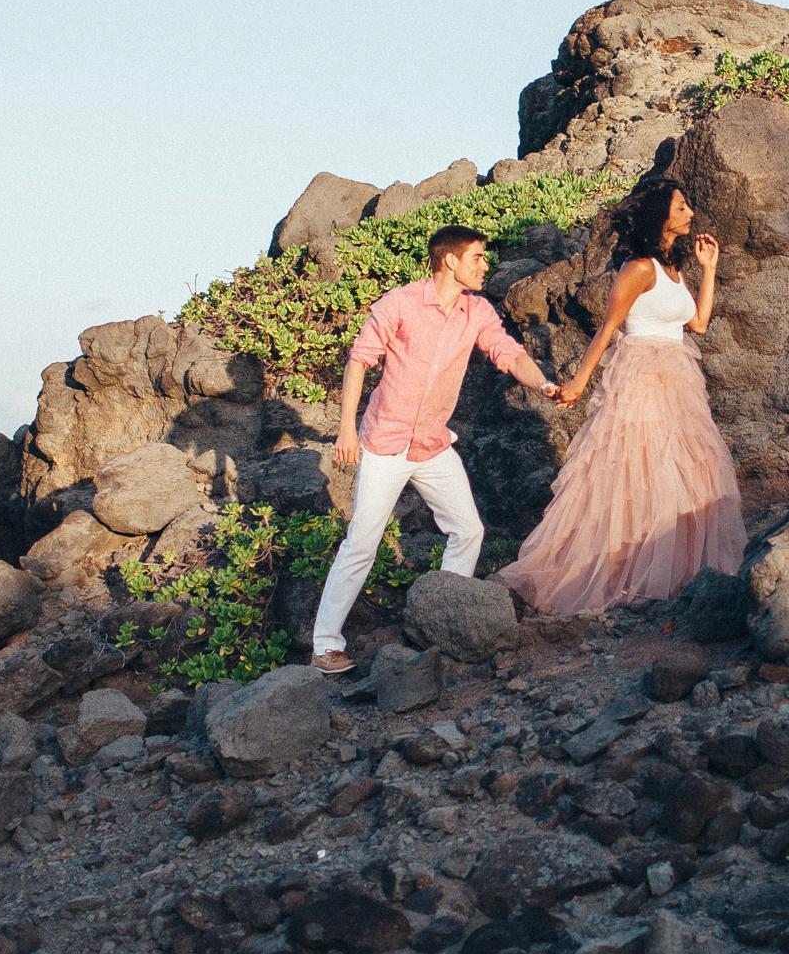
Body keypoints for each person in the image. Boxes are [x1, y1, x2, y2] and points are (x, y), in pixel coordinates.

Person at [312, 223, 557, 674]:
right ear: (451, 261)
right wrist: (346, 430)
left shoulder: (477, 311)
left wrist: (543, 384)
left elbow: (508, 352)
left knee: (468, 530)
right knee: (362, 544)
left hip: (432, 445)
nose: (487, 265)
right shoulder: (400, 303)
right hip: (384, 443)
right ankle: (326, 644)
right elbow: (359, 360)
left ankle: (446, 622)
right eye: (478, 257)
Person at [495, 178, 746, 616]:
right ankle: (622, 575)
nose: (689, 213)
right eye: (681, 207)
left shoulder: (674, 269)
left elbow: (700, 324)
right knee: (640, 469)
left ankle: (676, 573)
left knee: (686, 469)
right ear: (661, 217)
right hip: (641, 376)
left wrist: (709, 268)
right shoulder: (640, 268)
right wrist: (578, 383)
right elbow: (609, 327)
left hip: (679, 378)